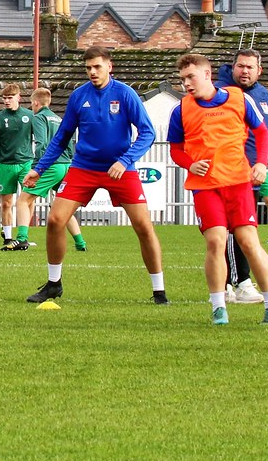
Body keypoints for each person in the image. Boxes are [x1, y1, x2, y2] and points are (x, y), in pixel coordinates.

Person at [22, 46, 167, 304]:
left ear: (109, 66)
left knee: (144, 226)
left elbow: (147, 133)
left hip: (121, 170)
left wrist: (125, 161)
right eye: (88, 67)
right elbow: (62, 137)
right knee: (55, 220)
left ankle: (159, 291)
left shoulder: (125, 94)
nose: (92, 72)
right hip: (83, 168)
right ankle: (54, 284)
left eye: (97, 66)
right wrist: (38, 168)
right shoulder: (79, 96)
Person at [168, 54, 268, 325]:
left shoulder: (239, 99)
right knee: (215, 241)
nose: (186, 84)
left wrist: (261, 164)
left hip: (237, 182)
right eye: (183, 79)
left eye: (191, 77)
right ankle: (219, 307)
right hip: (205, 186)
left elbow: (262, 131)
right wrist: (190, 163)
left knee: (249, 242)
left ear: (207, 75)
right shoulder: (181, 109)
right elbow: (175, 149)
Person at [215, 50, 268, 308]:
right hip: (226, 172)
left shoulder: (262, 95)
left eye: (249, 67)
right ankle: (238, 281)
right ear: (232, 68)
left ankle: (230, 283)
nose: (244, 71)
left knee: (242, 228)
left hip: (250, 172)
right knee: (230, 229)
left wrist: (261, 162)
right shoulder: (222, 92)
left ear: (260, 70)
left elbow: (264, 132)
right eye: (239, 66)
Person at [11, 88, 88, 253]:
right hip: (66, 165)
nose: (32, 107)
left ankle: (21, 239)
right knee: (63, 207)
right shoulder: (58, 119)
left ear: (36, 103)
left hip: (51, 165)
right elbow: (68, 144)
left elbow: (42, 144)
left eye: (32, 104)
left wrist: (37, 168)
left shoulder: (39, 117)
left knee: (23, 200)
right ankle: (81, 243)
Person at [0, 85, 40, 250]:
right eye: (5, 98)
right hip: (6, 165)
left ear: (19, 97)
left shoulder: (29, 116)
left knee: (28, 200)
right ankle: (8, 238)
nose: (7, 101)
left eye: (10, 97)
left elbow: (41, 138)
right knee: (6, 203)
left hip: (26, 163)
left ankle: (23, 237)